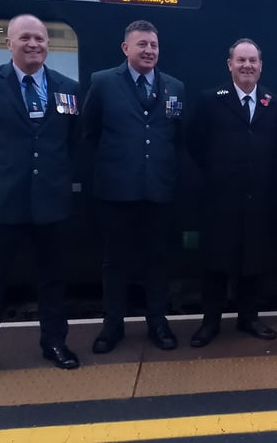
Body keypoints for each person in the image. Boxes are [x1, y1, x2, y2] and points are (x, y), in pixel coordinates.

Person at [0, 14, 80, 386]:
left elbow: (71, 142)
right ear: (8, 43)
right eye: (25, 38)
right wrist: (5, 172)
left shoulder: (68, 88)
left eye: (40, 39)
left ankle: (54, 343)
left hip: (50, 201)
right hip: (2, 202)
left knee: (53, 279)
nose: (34, 44)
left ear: (48, 44)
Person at [82, 20, 184, 354]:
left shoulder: (174, 87)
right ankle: (112, 326)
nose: (149, 50)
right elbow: (89, 134)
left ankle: (158, 323)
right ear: (125, 48)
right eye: (142, 44)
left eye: (154, 45)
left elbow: (176, 137)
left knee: (158, 260)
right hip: (116, 192)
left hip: (158, 191)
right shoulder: (102, 83)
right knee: (115, 261)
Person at [186, 38, 277, 346]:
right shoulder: (209, 100)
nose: (247, 66)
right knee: (216, 265)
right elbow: (195, 145)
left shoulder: (273, 103)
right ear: (230, 65)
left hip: (260, 201)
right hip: (220, 200)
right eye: (241, 60)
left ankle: (249, 319)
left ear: (261, 66)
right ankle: (210, 323)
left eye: (253, 60)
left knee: (252, 263)